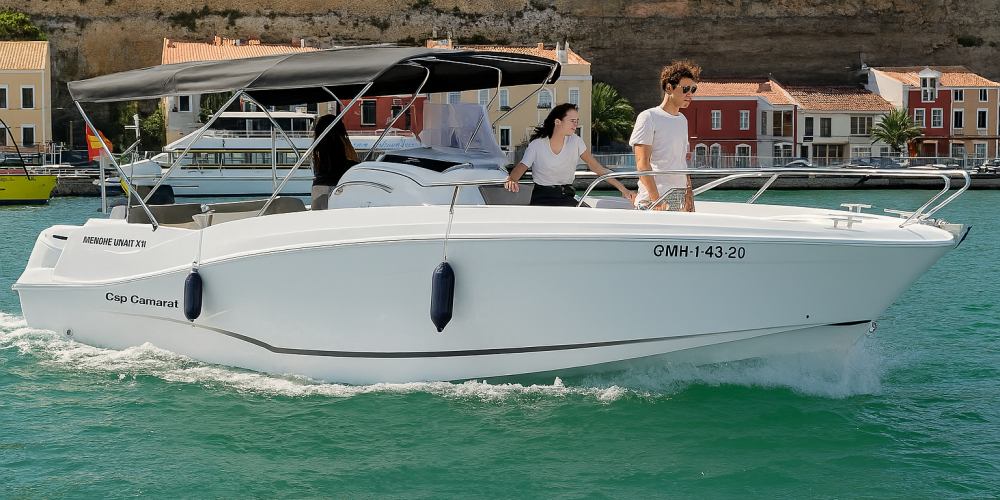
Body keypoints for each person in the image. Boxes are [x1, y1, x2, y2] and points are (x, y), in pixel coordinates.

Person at [504, 103, 635, 206]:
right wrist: (513, 180)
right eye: (572, 120)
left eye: (577, 120)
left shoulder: (576, 142)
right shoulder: (537, 145)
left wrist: (624, 189)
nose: (576, 125)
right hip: (541, 198)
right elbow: (521, 167)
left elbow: (597, 168)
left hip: (566, 195)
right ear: (557, 121)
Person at [629, 60, 701, 211]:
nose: (690, 94)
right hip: (652, 200)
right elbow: (642, 164)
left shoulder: (682, 120)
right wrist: (657, 202)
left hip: (678, 197)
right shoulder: (648, 117)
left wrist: (689, 195)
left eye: (693, 89)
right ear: (669, 88)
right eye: (685, 88)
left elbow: (681, 162)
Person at [311, 114, 360, 210]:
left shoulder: (318, 148)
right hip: (340, 186)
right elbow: (354, 160)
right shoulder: (342, 144)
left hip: (319, 186)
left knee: (319, 216)